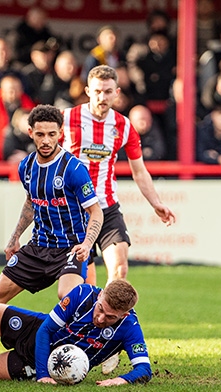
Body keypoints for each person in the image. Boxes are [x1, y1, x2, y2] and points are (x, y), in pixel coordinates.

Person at [0, 104, 104, 372]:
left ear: (61, 135)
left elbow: (96, 212)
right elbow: (31, 203)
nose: (46, 141)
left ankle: (98, 345)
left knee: (68, 296)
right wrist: (14, 238)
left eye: (52, 134)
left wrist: (88, 243)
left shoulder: (74, 168)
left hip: (70, 248)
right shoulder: (26, 166)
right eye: (40, 134)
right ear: (30, 132)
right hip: (38, 248)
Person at [60, 65, 175, 373]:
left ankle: (109, 337)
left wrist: (156, 203)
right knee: (81, 285)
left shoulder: (123, 126)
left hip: (107, 207)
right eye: (97, 91)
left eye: (108, 91)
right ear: (87, 91)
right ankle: (84, 338)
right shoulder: (67, 119)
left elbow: (139, 170)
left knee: (120, 269)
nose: (102, 96)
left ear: (117, 92)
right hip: (74, 211)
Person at [0, 279, 151, 386]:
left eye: (110, 317)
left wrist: (121, 380)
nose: (100, 319)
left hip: (41, 363)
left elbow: (144, 370)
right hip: (35, 330)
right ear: (101, 295)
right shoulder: (82, 294)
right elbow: (46, 330)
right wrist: (43, 376)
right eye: (100, 309)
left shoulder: (130, 328)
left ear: (123, 315)